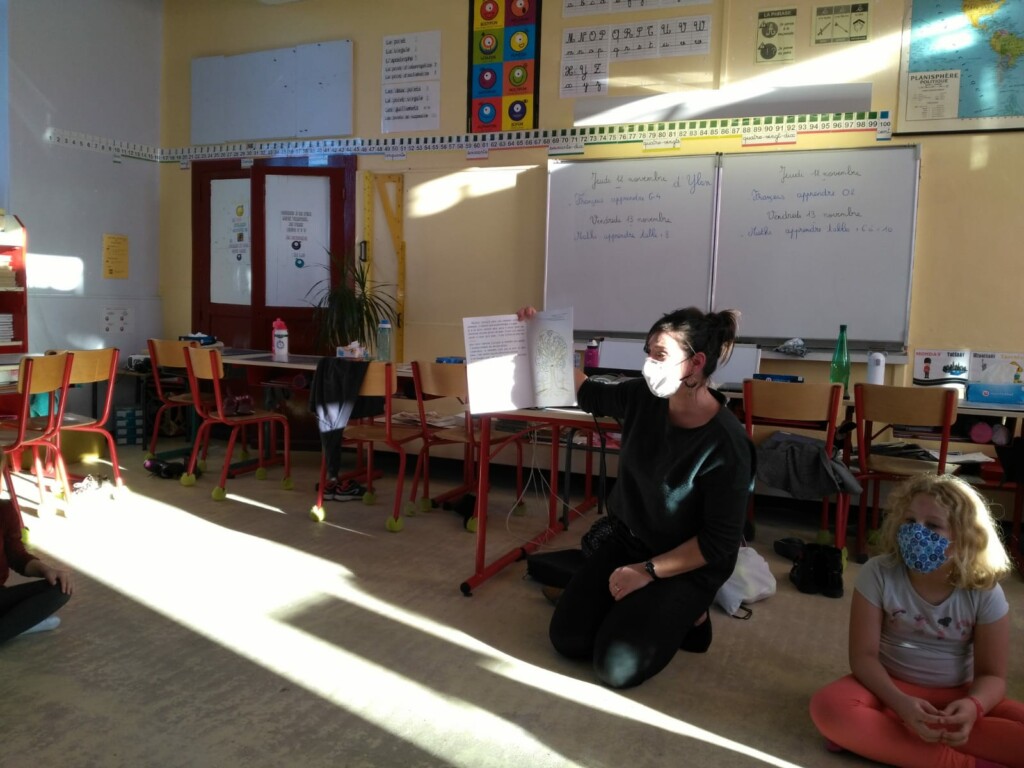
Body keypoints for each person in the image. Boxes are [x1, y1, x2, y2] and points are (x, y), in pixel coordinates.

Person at [517, 305, 755, 689]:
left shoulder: (727, 443)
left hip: (689, 563)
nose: (648, 364)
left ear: (696, 363)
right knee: (568, 639)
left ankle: (695, 615)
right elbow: (584, 390)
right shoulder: (642, 397)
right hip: (629, 541)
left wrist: (647, 572)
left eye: (660, 355)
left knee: (615, 667)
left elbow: (719, 542)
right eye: (648, 352)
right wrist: (539, 330)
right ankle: (651, 608)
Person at [810, 473, 1024, 768]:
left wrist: (973, 708)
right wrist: (900, 704)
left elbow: (993, 677)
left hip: (957, 698)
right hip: (886, 690)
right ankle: (961, 762)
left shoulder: (984, 591)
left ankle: (879, 735)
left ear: (964, 537)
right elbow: (863, 657)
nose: (916, 531)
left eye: (933, 525)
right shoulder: (878, 572)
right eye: (909, 520)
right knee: (828, 707)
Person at [0, 497, 74, 645]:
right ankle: (15, 626)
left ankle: (13, 625)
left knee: (60, 589)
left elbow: (17, 556)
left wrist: (47, 570)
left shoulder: (4, 509)